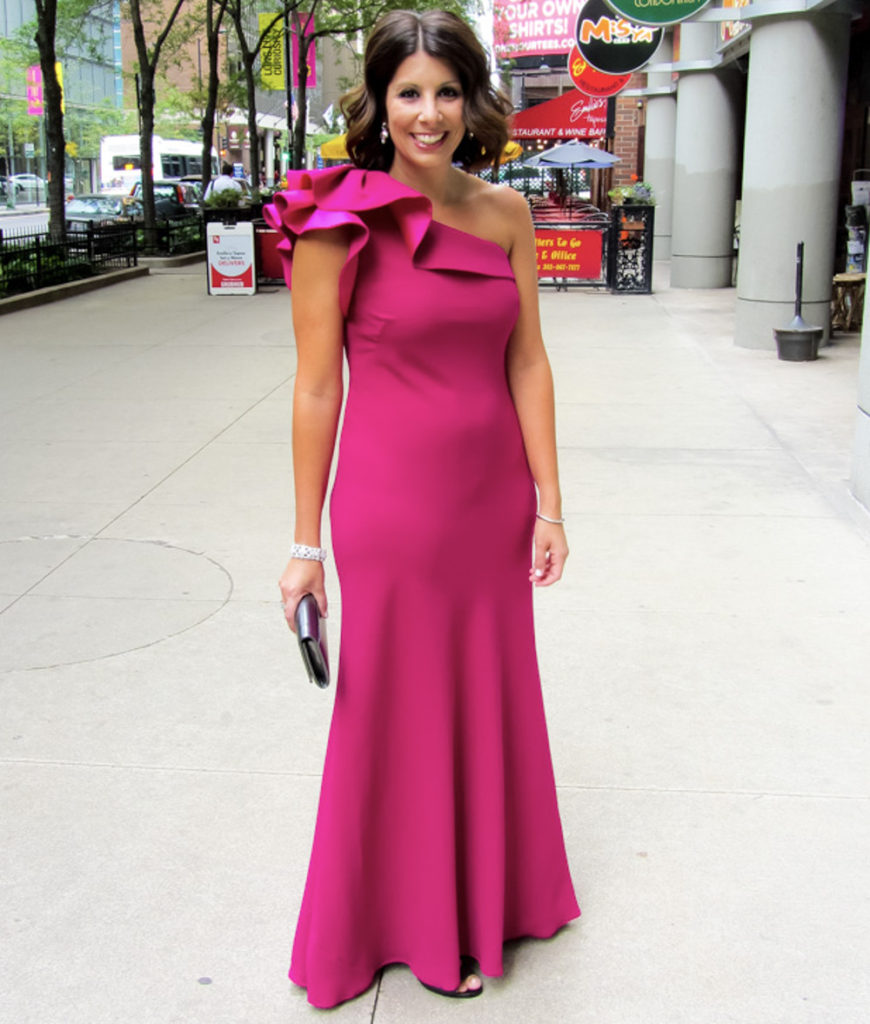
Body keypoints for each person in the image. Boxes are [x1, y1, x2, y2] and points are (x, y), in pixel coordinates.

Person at [265, 8, 580, 1009]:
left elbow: (527, 359)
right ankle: (396, 924)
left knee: (488, 691)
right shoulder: (336, 218)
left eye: (448, 91)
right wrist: (303, 542)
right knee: (393, 709)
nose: (430, 113)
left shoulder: (506, 215)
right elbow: (318, 388)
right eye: (410, 92)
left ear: (472, 98)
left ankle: (488, 903)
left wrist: (551, 502)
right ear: (379, 101)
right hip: (390, 506)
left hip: (492, 502)